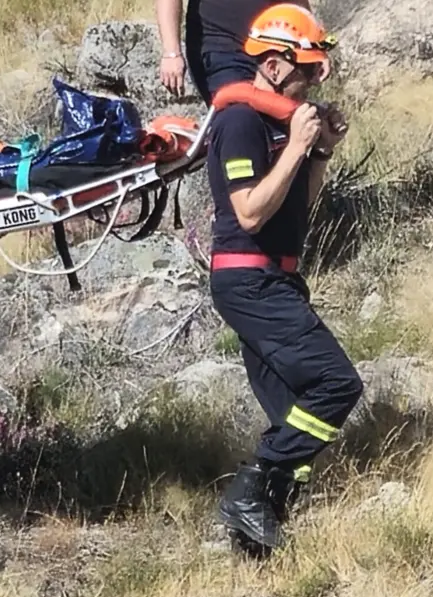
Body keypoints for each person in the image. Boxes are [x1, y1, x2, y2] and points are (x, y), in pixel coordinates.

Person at [205, 4, 361, 555]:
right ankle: (249, 490)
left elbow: (299, 206)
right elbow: (249, 213)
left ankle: (259, 542)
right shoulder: (240, 122)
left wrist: (318, 152)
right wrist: (295, 145)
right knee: (337, 385)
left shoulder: (279, 121)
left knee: (291, 409)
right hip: (250, 281)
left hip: (278, 278)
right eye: (307, 70)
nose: (315, 80)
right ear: (272, 66)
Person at [155, 0, 330, 104]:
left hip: (271, 51)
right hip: (222, 51)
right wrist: (171, 53)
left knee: (282, 127)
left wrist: (314, 47)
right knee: (242, 120)